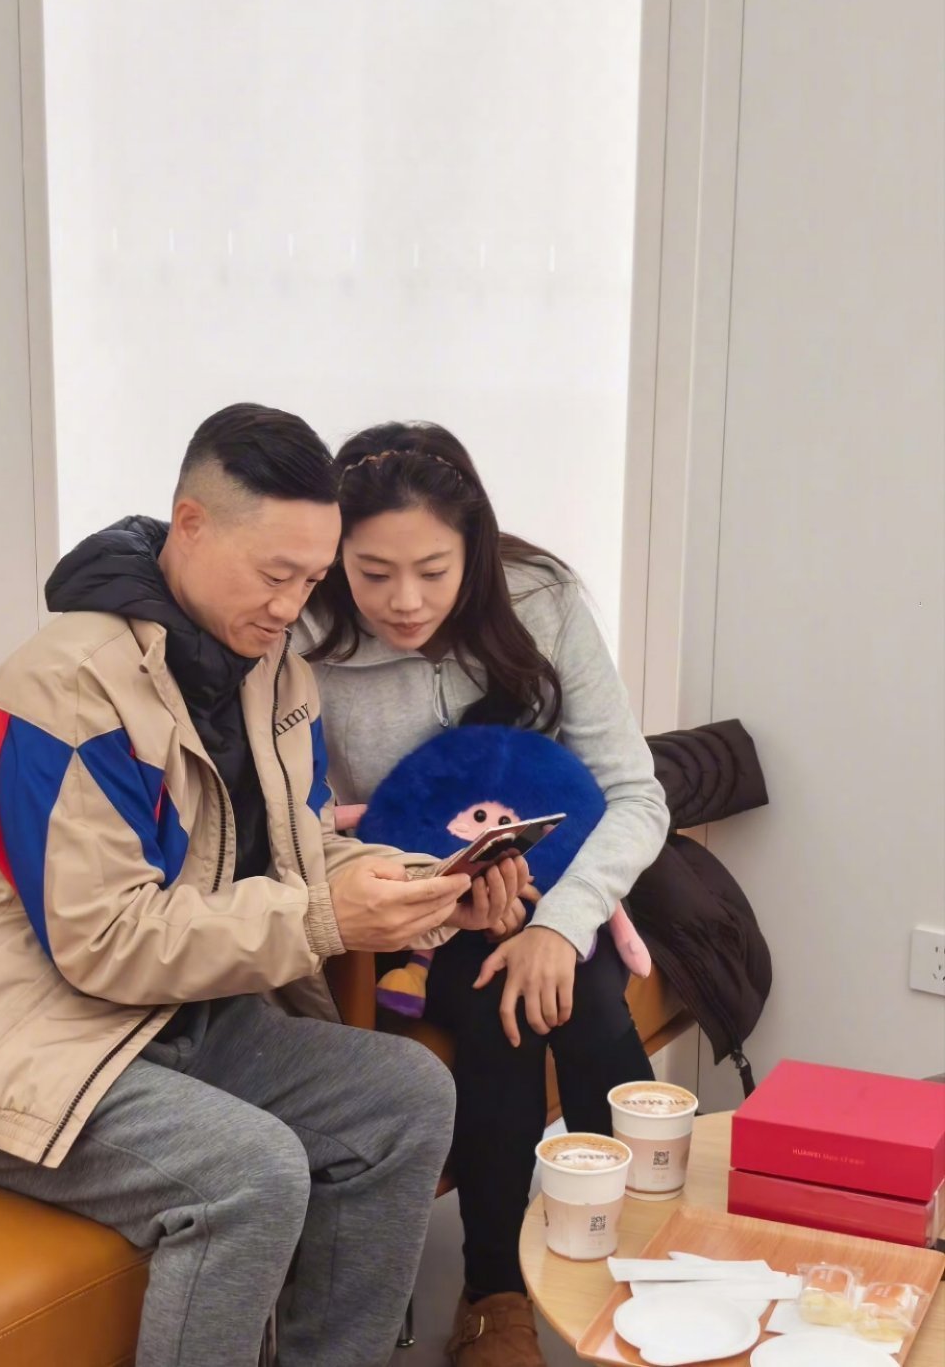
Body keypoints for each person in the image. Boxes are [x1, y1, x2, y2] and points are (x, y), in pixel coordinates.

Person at [0, 403, 529, 1367]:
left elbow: (302, 850)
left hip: (183, 1024)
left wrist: (425, 886)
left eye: (312, 580)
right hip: (30, 1053)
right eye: (275, 575)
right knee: (253, 1172)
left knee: (407, 1095)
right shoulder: (61, 693)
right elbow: (106, 943)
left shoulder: (272, 673)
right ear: (190, 526)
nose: (292, 606)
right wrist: (324, 917)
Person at [297, 421, 670, 1367]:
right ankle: (505, 1292)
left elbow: (636, 794)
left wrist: (559, 924)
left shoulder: (539, 599)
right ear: (336, 555)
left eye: (433, 570)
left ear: (476, 550)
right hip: (401, 904)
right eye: (373, 572)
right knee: (509, 1004)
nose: (405, 600)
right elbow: (297, 822)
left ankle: (633, 1262)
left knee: (573, 991)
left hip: (557, 885)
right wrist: (434, 898)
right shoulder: (301, 633)